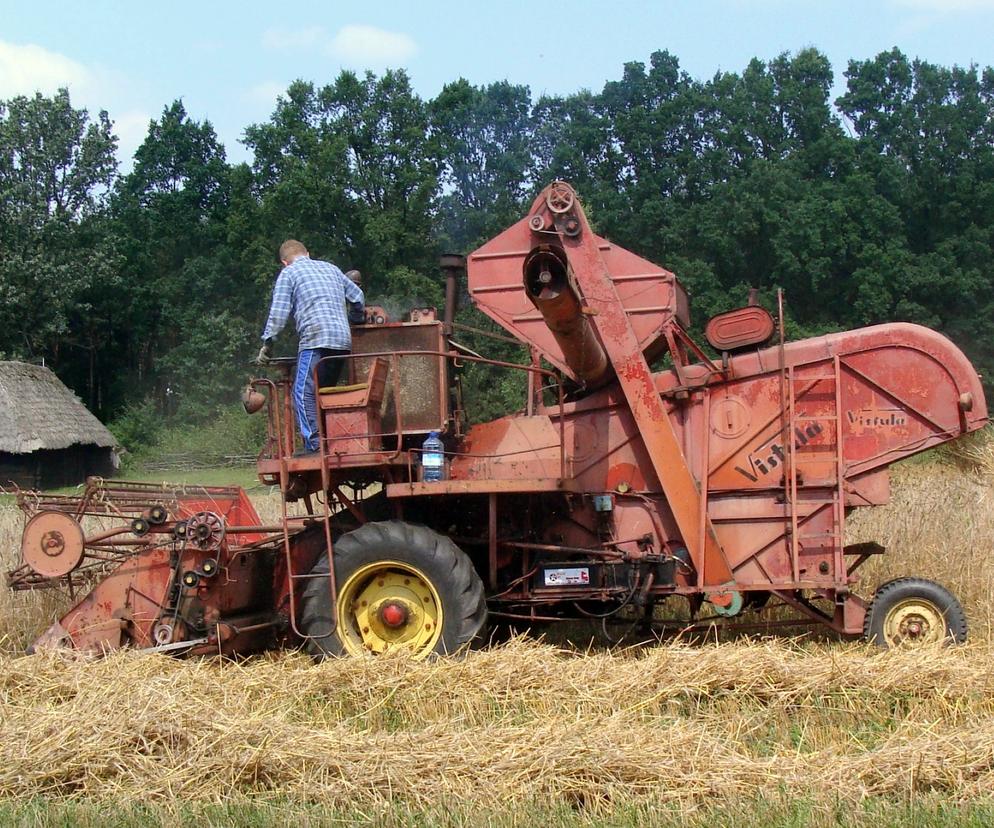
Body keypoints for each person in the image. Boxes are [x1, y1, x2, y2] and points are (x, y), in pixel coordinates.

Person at [258, 239, 365, 456]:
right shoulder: (331, 269)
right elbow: (358, 296)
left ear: (284, 262)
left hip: (315, 340)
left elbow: (279, 314)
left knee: (303, 392)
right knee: (322, 394)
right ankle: (330, 441)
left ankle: (315, 445)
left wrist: (268, 344)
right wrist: (356, 319)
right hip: (342, 342)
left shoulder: (289, 274)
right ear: (307, 253)